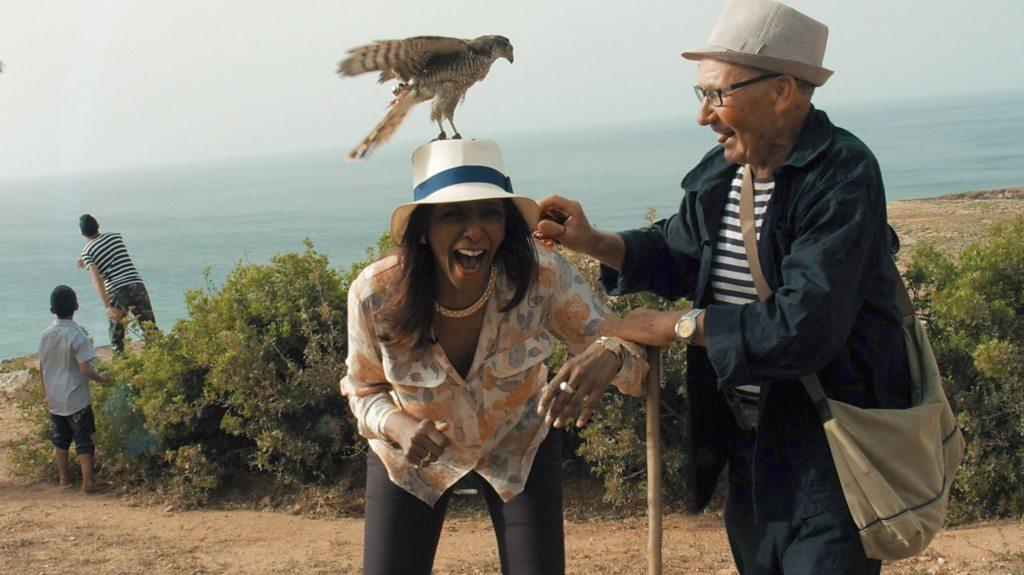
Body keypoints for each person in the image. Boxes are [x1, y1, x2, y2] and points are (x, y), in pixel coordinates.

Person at [536, 1, 911, 573]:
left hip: (830, 451)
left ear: (784, 90)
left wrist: (680, 326)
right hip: (748, 445)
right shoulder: (723, 174)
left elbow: (806, 327)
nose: (704, 115)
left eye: (717, 94)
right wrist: (593, 240)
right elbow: (677, 252)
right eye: (701, 95)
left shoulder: (842, 174)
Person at [341, 139, 648, 575]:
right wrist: (399, 425)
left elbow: (633, 349)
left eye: (490, 212)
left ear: (506, 225)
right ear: (424, 229)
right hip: (409, 458)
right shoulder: (375, 294)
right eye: (454, 214)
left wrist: (612, 351)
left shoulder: (543, 277)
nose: (475, 230)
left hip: (519, 445)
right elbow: (364, 389)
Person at [38, 285, 112, 494]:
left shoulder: (46, 335)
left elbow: (42, 366)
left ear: (52, 310)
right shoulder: (78, 337)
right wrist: (102, 378)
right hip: (76, 397)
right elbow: (84, 369)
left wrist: (46, 393)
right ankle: (88, 482)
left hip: (55, 397)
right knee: (83, 439)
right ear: (77, 306)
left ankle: (64, 477)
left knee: (60, 439)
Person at [76, 214, 156, 352]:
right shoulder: (115, 236)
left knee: (117, 335)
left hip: (117, 291)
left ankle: (122, 363)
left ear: (82, 232)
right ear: (97, 225)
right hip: (136, 284)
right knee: (150, 328)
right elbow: (108, 251)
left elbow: (97, 280)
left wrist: (108, 307)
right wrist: (87, 259)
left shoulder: (87, 251)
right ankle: (157, 359)